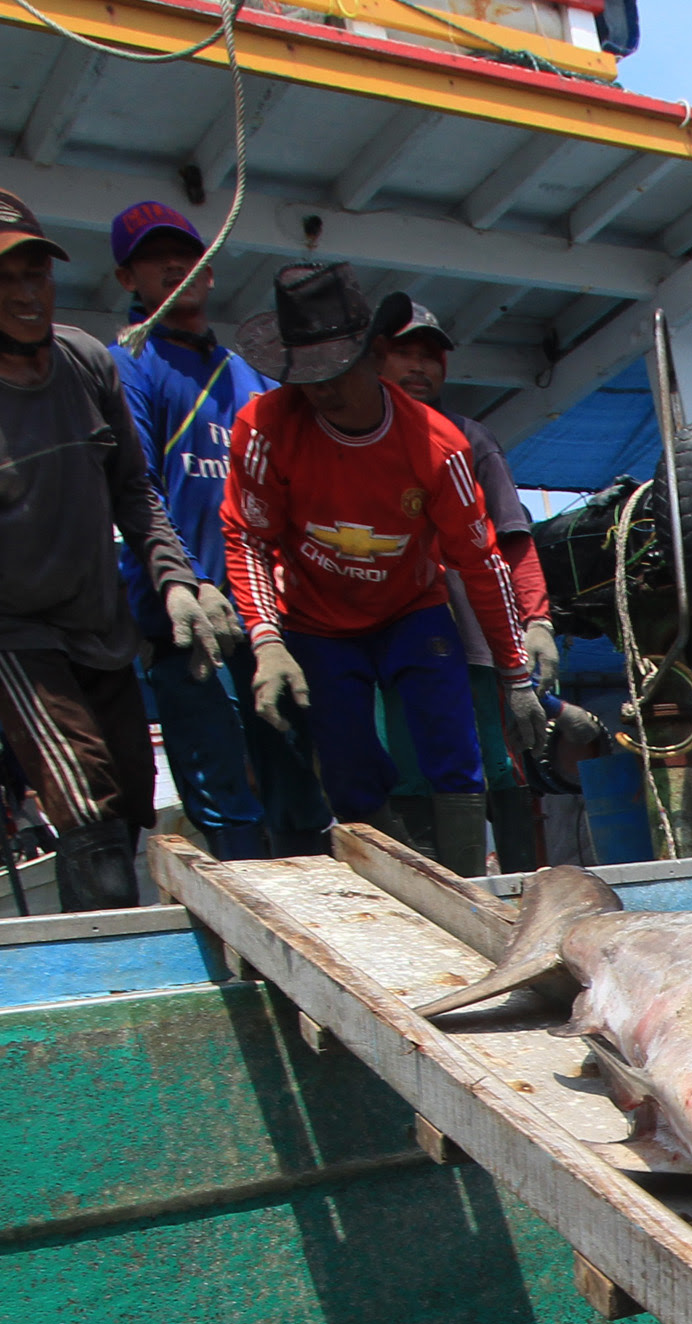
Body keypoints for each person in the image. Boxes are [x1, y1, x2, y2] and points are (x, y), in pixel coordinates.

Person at [0, 181, 225, 910]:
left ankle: (111, 935)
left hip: (101, 625)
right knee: (87, 806)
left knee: (134, 802)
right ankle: (114, 987)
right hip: (16, 634)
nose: (25, 294)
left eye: (34, 273)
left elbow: (135, 494)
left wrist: (176, 581)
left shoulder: (85, 362)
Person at [220, 263, 542, 875]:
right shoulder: (263, 428)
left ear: (374, 356)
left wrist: (516, 674)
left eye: (337, 373)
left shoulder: (439, 448)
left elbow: (480, 563)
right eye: (308, 377)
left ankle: (469, 881)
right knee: (347, 767)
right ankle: (390, 879)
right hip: (315, 623)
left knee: (453, 747)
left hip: (411, 610)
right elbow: (247, 538)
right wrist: (267, 641)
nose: (324, 391)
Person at [106, 200, 332, 862]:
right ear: (127, 278)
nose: (180, 265)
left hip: (267, 626)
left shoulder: (250, 375)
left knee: (300, 793)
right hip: (189, 627)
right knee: (224, 795)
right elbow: (136, 489)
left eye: (189, 251)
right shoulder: (130, 363)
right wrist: (190, 583)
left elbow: (291, 493)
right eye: (156, 256)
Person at [368, 293, 558, 874]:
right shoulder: (356, 442)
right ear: (377, 358)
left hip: (477, 642)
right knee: (402, 765)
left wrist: (538, 621)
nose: (420, 366)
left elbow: (513, 538)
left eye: (431, 355)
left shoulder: (471, 439)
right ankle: (425, 901)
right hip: (388, 641)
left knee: (501, 763)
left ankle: (521, 895)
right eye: (405, 353)